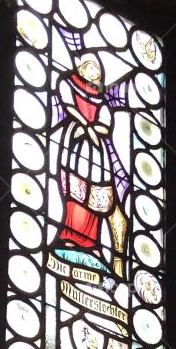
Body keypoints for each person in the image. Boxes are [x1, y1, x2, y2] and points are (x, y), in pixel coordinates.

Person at [53, 53, 127, 276]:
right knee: (75, 193)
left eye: (98, 71)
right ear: (82, 68)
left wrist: (92, 130)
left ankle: (91, 244)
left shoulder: (101, 101)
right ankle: (69, 238)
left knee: (95, 199)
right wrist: (85, 126)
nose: (95, 73)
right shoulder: (68, 85)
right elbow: (69, 106)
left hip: (96, 154)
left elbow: (105, 124)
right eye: (91, 68)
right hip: (75, 147)